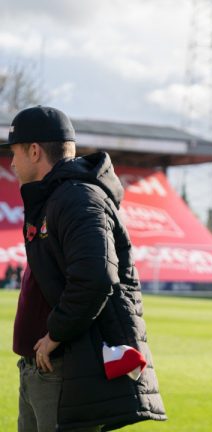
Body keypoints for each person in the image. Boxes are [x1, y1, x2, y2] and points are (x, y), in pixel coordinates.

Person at [4, 106, 166, 431]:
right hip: (45, 367)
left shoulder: (78, 197)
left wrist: (55, 335)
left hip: (65, 368)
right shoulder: (55, 197)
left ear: (34, 151)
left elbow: (96, 275)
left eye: (15, 153)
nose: (11, 163)